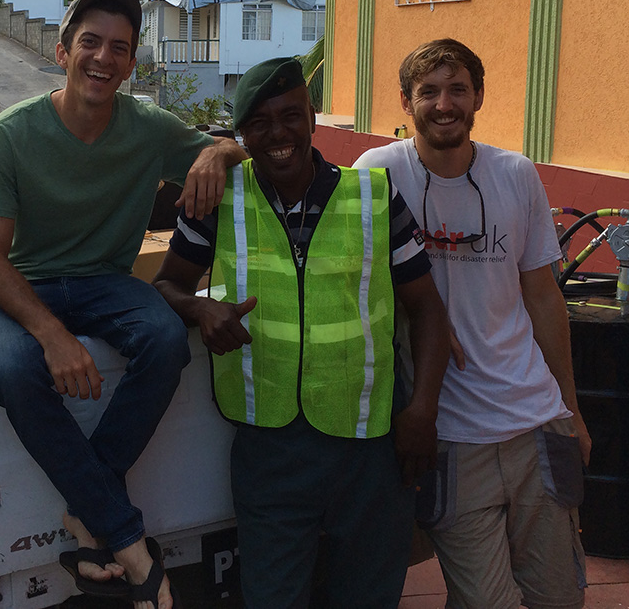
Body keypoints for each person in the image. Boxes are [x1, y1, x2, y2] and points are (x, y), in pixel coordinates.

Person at [0, 0, 245, 609]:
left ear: (130, 63)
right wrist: (53, 335)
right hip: (22, 283)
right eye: (89, 42)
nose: (103, 58)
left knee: (166, 338)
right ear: (62, 52)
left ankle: (88, 513)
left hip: (105, 282)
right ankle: (123, 535)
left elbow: (233, 148)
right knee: (13, 365)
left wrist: (213, 155)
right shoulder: (11, 134)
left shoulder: (147, 127)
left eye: (119, 48)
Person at [152, 56, 452, 609]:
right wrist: (199, 310)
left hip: (370, 443)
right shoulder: (218, 201)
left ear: (313, 117)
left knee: (367, 594)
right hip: (270, 448)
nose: (278, 134)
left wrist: (423, 410)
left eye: (291, 116)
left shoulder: (374, 197)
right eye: (260, 124)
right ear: (242, 134)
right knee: (274, 597)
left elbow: (428, 309)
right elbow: (168, 284)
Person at [353, 39, 591, 609]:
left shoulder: (516, 174)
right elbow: (347, 280)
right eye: (428, 91)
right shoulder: (375, 175)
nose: (444, 103)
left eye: (457, 89)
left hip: (535, 422)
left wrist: (573, 410)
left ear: (478, 97)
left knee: (558, 598)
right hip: (450, 437)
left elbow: (542, 297)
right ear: (406, 101)